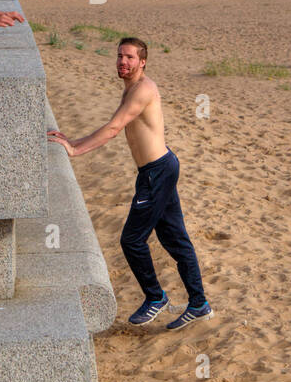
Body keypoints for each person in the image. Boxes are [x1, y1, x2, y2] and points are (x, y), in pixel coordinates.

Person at [47, 37, 212, 330]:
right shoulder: (131, 88)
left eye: (130, 58)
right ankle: (198, 304)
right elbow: (112, 124)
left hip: (157, 173)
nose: (123, 62)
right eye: (120, 56)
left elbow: (112, 128)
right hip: (158, 169)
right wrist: (72, 142)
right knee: (175, 239)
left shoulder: (143, 89)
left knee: (132, 240)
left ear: (143, 61)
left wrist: (75, 150)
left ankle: (155, 297)